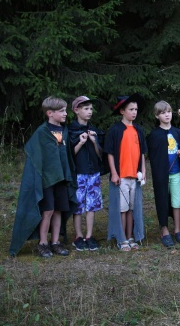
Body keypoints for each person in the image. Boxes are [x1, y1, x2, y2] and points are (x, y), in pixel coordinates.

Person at [9, 97, 77, 257]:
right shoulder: (42, 132)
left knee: (59, 210)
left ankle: (55, 242)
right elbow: (35, 155)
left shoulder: (64, 131)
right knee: (48, 211)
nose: (65, 114)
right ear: (50, 113)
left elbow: (66, 155)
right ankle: (43, 243)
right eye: (62, 111)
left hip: (61, 179)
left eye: (65, 110)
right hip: (46, 180)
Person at [104, 94, 147, 252]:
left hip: (134, 177)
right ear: (122, 111)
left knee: (131, 209)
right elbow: (110, 153)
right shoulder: (115, 130)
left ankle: (130, 237)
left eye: (136, 109)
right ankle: (121, 239)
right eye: (131, 109)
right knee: (122, 209)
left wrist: (143, 170)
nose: (134, 112)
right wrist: (114, 173)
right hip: (121, 177)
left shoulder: (138, 130)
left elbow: (142, 153)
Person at [68, 96, 105, 251]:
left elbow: (100, 154)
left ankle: (89, 235)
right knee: (78, 206)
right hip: (78, 174)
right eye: (86, 109)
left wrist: (94, 141)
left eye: (91, 109)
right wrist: (81, 142)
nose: (89, 111)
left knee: (92, 205)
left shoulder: (94, 131)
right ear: (76, 110)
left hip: (93, 173)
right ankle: (78, 236)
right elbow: (69, 155)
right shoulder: (70, 131)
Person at [146, 101, 180, 248]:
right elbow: (153, 157)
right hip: (162, 176)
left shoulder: (177, 132)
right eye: (163, 113)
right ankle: (164, 230)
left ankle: (177, 230)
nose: (167, 115)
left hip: (176, 173)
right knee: (162, 201)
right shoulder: (154, 135)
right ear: (157, 116)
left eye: (168, 111)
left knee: (177, 201)